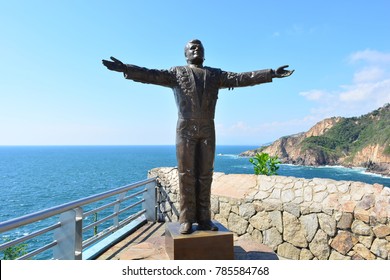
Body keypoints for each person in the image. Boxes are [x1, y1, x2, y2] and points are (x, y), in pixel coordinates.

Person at [102, 39, 293, 234]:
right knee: (186, 175)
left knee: (205, 175)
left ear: (204, 53)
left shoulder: (214, 74)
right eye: (191, 47)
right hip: (185, 127)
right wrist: (126, 68)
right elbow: (151, 74)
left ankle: (204, 219)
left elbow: (242, 78)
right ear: (185, 54)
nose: (196, 49)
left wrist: (270, 73)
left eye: (199, 47)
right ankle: (186, 219)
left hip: (207, 128)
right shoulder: (176, 73)